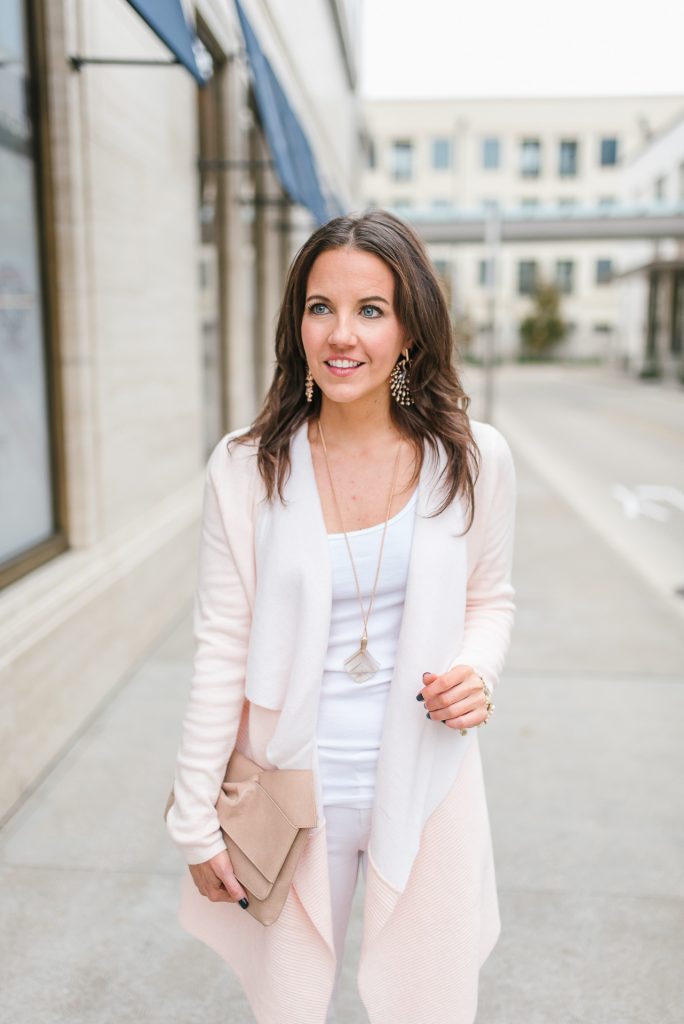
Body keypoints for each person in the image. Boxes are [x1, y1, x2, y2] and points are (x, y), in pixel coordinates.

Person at [165, 209, 517, 1024]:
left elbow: (489, 599)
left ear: (410, 330)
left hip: (426, 778)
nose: (341, 335)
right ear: (296, 323)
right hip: (286, 788)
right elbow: (220, 646)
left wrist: (477, 672)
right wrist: (193, 818)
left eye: (370, 309)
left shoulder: (471, 458)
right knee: (289, 1008)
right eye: (320, 307)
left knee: (427, 1005)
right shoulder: (247, 467)